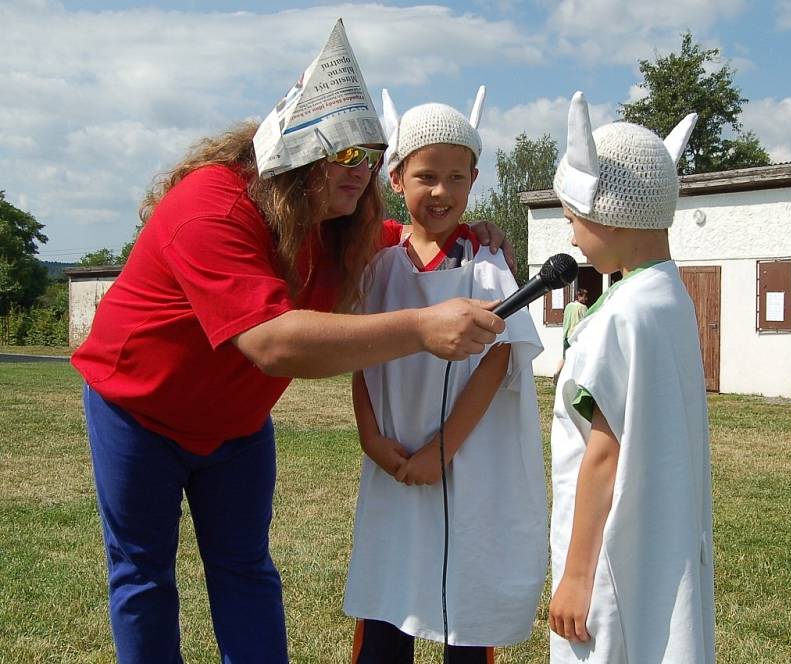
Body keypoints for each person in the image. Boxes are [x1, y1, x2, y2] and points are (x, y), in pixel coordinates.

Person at [70, 21, 513, 664]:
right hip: (138, 409)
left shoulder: (341, 225)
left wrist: (469, 229)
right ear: (296, 151)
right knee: (142, 574)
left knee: (244, 568)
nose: (358, 172)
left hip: (237, 425)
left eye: (368, 156)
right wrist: (420, 327)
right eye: (343, 153)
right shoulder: (212, 206)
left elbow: (408, 235)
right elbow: (275, 342)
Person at [344, 88, 548, 663]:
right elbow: (360, 356)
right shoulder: (378, 264)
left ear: (474, 179)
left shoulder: (485, 264)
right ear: (396, 178)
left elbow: (499, 360)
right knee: (388, 602)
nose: (442, 192)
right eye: (427, 176)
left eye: (457, 177)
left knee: (463, 606)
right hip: (391, 460)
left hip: (463, 465)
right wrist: (371, 438)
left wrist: (442, 451)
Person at [547, 92, 715, 663]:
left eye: (572, 220)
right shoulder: (668, 296)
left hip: (606, 557)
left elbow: (603, 451)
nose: (570, 237)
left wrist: (575, 576)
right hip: (658, 537)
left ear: (609, 213)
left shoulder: (620, 315)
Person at [553, 288, 589, 384]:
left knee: (564, 357)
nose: (586, 299)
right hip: (575, 338)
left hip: (566, 336)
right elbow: (586, 321)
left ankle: (557, 374)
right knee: (575, 358)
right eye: (585, 296)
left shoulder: (568, 306)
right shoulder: (583, 308)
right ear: (579, 296)